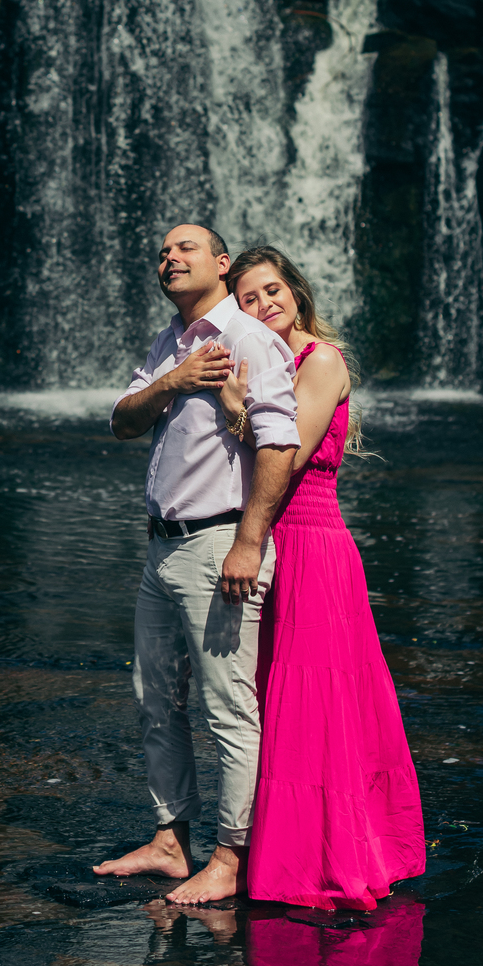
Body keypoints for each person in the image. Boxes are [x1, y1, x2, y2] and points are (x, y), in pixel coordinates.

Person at [93, 223, 301, 906]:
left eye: (185, 248)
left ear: (220, 263)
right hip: (162, 546)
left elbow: (276, 443)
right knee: (156, 699)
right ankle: (170, 838)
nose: (169, 258)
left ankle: (230, 857)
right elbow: (123, 420)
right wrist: (174, 382)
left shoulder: (247, 339)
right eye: (161, 251)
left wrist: (249, 541)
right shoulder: (169, 346)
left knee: (228, 707)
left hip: (218, 545)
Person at [218, 245, 426, 910]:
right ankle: (266, 846)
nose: (264, 304)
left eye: (273, 290)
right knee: (270, 697)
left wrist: (231, 409)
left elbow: (291, 452)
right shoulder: (263, 361)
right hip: (273, 538)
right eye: (249, 298)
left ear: (297, 293)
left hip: (310, 544)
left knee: (312, 702)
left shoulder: (321, 361)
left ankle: (319, 856)